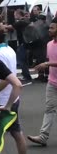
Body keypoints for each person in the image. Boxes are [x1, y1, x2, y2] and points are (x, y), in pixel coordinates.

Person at [0, 24, 27, 154]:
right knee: (16, 132)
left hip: (2, 100)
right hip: (12, 97)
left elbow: (6, 78)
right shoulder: (9, 49)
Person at [27, 18, 57, 146]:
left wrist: (47, 63)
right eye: (49, 27)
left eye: (52, 28)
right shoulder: (49, 44)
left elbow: (50, 62)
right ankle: (43, 136)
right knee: (49, 109)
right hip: (52, 83)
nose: (49, 30)